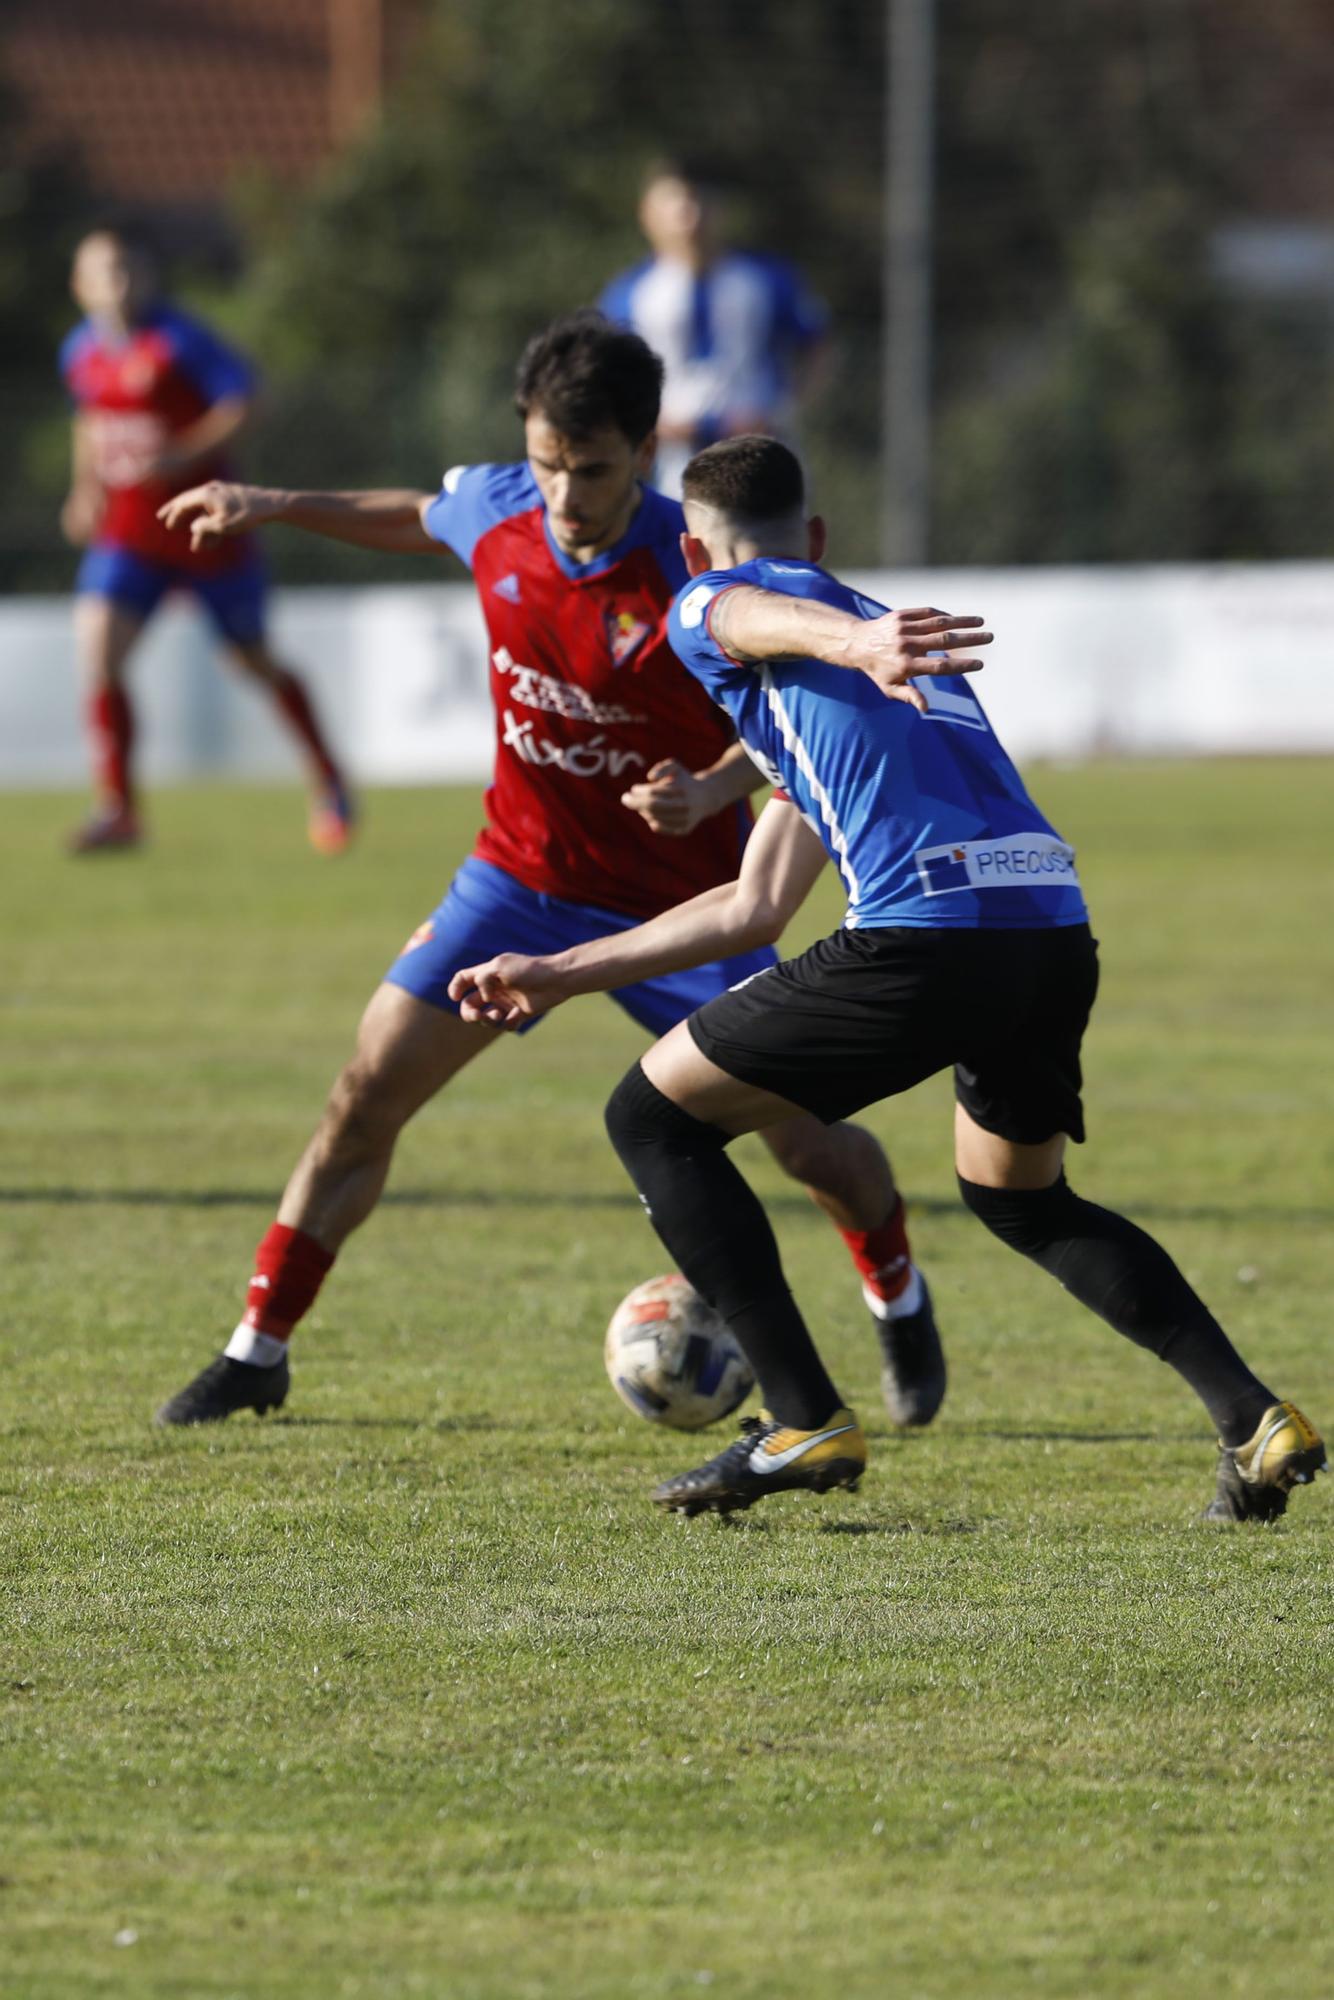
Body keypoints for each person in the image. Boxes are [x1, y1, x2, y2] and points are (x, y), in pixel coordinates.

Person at [449, 435, 1326, 1527]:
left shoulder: (759, 614)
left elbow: (729, 612)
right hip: (1050, 929)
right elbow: (752, 908)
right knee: (1022, 1198)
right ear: (812, 535)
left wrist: (852, 639)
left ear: (689, 547)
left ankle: (802, 1415)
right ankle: (1251, 1418)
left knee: (650, 1118)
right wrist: (559, 972)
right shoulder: (865, 653)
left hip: (929, 936)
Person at [151, 316, 942, 1428]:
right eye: (544, 465)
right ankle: (257, 1347)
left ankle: (895, 1290)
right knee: (361, 1097)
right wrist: (272, 504)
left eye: (593, 470)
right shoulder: (503, 513)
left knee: (807, 1141)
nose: (564, 496)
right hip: (514, 880)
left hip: (686, 909)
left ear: (646, 451)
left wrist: (717, 784)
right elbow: (421, 517)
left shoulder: (702, 563)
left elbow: (816, 693)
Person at [58, 226, 353, 855]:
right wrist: (85, 489)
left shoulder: (179, 340)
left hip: (207, 531)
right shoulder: (79, 349)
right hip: (130, 535)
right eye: (106, 271)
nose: (120, 283)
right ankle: (118, 808)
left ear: (150, 276)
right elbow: (88, 418)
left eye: (130, 268)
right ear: (80, 286)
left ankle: (328, 778)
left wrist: (182, 454)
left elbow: (247, 402)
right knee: (97, 649)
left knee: (251, 660)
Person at [600, 160, 828, 498]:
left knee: (767, 542)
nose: (689, 218)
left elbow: (817, 346)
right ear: (647, 213)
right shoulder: (630, 292)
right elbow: (605, 370)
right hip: (672, 458)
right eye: (674, 204)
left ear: (721, 210)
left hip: (762, 447)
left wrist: (784, 409)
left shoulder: (767, 279)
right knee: (682, 543)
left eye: (700, 203)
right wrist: (645, 422)